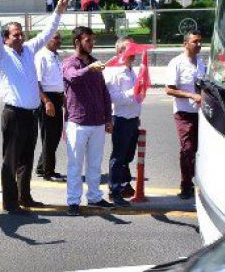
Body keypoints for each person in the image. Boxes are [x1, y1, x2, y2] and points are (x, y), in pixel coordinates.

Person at [0, 0, 67, 214]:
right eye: (15, 35)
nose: (20, 38)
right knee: (11, 162)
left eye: (21, 34)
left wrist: (58, 12)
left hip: (32, 114)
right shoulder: (1, 54)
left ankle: (25, 197)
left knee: (27, 159)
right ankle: (10, 203)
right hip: (13, 115)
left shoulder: (29, 50)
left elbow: (47, 34)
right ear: (6, 39)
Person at [61, 26, 115, 216]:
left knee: (95, 163)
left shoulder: (95, 64)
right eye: (88, 41)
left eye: (93, 40)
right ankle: (73, 201)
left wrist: (108, 118)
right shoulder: (69, 63)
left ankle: (94, 196)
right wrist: (88, 69)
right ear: (77, 42)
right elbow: (73, 78)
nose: (92, 44)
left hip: (98, 122)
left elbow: (104, 93)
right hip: (77, 122)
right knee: (75, 164)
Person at [165, 31, 205, 200]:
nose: (199, 45)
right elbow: (169, 89)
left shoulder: (202, 63)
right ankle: (185, 184)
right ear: (185, 44)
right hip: (183, 113)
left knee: (197, 149)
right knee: (187, 148)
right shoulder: (177, 63)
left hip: (201, 113)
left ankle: (197, 180)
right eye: (195, 42)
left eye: (200, 42)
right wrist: (191, 95)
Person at [105, 37, 143, 207]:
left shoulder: (131, 70)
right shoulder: (113, 72)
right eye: (129, 49)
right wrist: (133, 94)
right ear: (120, 52)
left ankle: (124, 185)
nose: (133, 53)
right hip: (120, 118)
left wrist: (137, 97)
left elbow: (136, 97)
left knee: (128, 156)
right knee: (118, 157)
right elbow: (116, 98)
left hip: (133, 118)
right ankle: (114, 191)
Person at [34, 32, 66, 182]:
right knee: (50, 136)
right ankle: (49, 172)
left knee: (55, 135)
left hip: (57, 98)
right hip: (47, 98)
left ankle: (42, 166)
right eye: (55, 38)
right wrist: (47, 101)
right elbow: (37, 83)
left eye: (60, 38)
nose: (58, 41)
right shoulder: (42, 56)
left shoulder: (55, 56)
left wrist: (63, 97)